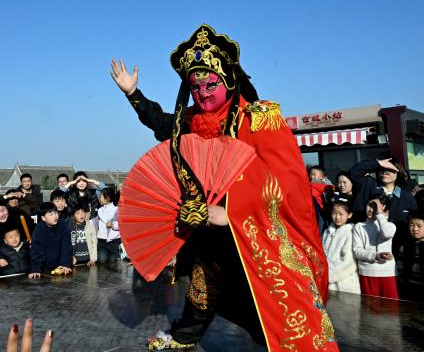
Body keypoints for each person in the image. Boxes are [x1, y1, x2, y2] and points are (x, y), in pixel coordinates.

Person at [111, 24, 335, 350]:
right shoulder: (192, 121)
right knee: (203, 286)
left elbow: (286, 181)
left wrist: (230, 211)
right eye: (195, 85)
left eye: (210, 84)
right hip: (208, 227)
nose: (202, 93)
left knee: (266, 297)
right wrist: (133, 94)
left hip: (253, 230)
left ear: (228, 80)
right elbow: (162, 124)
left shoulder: (260, 118)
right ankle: (185, 336)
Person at [349, 157, 417, 255]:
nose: (384, 172)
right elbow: (354, 172)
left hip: (397, 250)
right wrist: (377, 163)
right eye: (382, 169)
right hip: (367, 246)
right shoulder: (369, 184)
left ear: (398, 172)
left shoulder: (407, 197)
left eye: (389, 169)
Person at [352, 194, 398, 298]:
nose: (371, 209)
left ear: (384, 209)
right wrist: (376, 255)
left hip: (388, 272)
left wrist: (380, 214)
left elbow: (386, 233)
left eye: (375, 206)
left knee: (391, 309)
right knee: (370, 308)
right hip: (367, 272)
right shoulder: (359, 226)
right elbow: (357, 251)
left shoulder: (390, 225)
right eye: (370, 205)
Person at [396, 209, 424, 301]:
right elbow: (400, 269)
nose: (415, 229)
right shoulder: (404, 246)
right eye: (411, 225)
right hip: (407, 290)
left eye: (419, 226)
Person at [322, 202, 359, 293]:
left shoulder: (351, 232)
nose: (337, 217)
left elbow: (349, 261)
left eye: (341, 214)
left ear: (349, 215)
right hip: (326, 281)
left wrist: (329, 276)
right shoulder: (327, 232)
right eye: (334, 213)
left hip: (344, 282)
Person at [29, 203, 72, 278]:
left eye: (55, 213)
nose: (55, 216)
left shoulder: (63, 225)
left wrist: (65, 264)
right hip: (45, 268)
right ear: (43, 218)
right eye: (51, 214)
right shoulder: (39, 229)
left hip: (60, 266)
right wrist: (36, 269)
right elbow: (36, 251)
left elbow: (66, 246)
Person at [96, 187, 120, 263]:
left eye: (101, 197)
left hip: (113, 240)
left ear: (107, 198)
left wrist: (113, 224)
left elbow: (121, 224)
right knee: (102, 260)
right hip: (102, 239)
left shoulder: (116, 209)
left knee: (112, 260)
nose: (99, 198)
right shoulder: (100, 210)